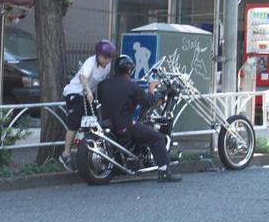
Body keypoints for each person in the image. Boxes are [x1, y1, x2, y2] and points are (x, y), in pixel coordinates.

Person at [97, 54, 181, 182]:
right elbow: (148, 102)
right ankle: (164, 172)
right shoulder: (132, 86)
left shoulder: (103, 85)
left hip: (107, 125)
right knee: (157, 138)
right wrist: (151, 88)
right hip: (125, 125)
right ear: (129, 70)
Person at [59, 39, 116, 170]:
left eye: (109, 58)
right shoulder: (90, 62)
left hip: (89, 96)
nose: (107, 60)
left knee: (93, 123)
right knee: (73, 124)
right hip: (75, 92)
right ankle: (65, 154)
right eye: (105, 57)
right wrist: (89, 91)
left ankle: (89, 152)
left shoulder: (107, 66)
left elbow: (100, 82)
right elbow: (83, 77)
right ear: (98, 55)